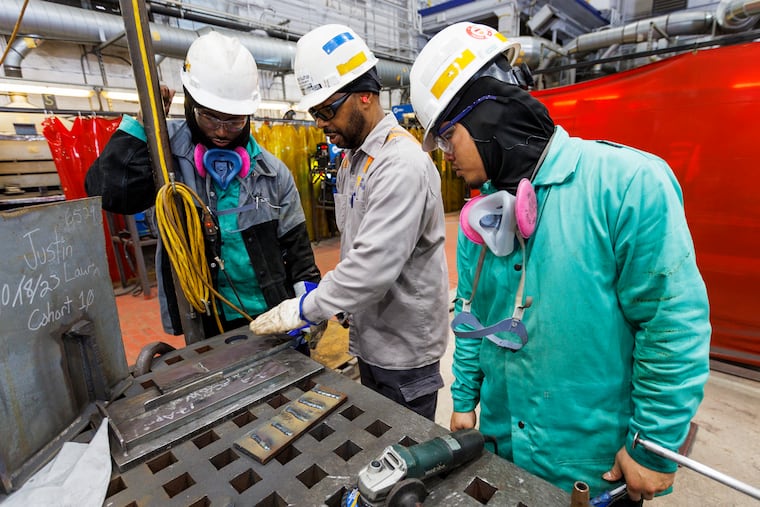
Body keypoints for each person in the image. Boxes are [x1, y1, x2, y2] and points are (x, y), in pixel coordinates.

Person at [409, 22, 711, 504]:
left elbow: (672, 323)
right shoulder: (481, 219)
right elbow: (470, 316)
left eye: (447, 137)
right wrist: (464, 400)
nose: (447, 157)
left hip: (593, 472)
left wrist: (653, 447)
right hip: (503, 454)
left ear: (484, 114)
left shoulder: (627, 185)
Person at [248, 24, 449, 421]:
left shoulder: (401, 165)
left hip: (405, 353)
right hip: (371, 339)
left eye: (327, 111)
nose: (321, 123)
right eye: (314, 113)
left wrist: (306, 308)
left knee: (404, 454)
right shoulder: (353, 163)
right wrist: (336, 302)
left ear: (364, 96)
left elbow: (371, 269)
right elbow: (357, 247)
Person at [85, 31, 322, 348]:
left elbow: (299, 253)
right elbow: (109, 193)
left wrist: (308, 310)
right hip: (206, 321)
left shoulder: (272, 171)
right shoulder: (163, 156)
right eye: (210, 117)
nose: (223, 131)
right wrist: (143, 128)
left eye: (235, 120)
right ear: (190, 103)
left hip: (272, 315)